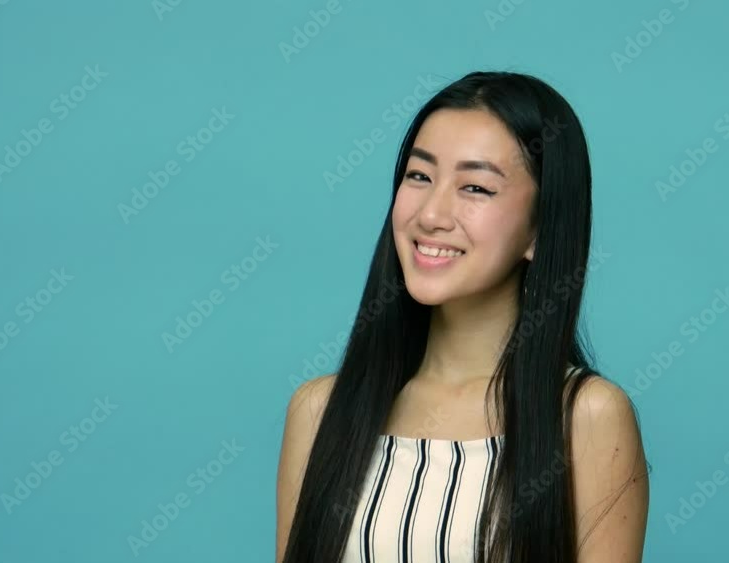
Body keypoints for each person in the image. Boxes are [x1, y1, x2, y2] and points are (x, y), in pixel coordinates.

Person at [276, 70, 649, 563]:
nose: (431, 214)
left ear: (540, 230)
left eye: (475, 187)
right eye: (419, 176)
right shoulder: (319, 411)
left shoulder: (587, 417)